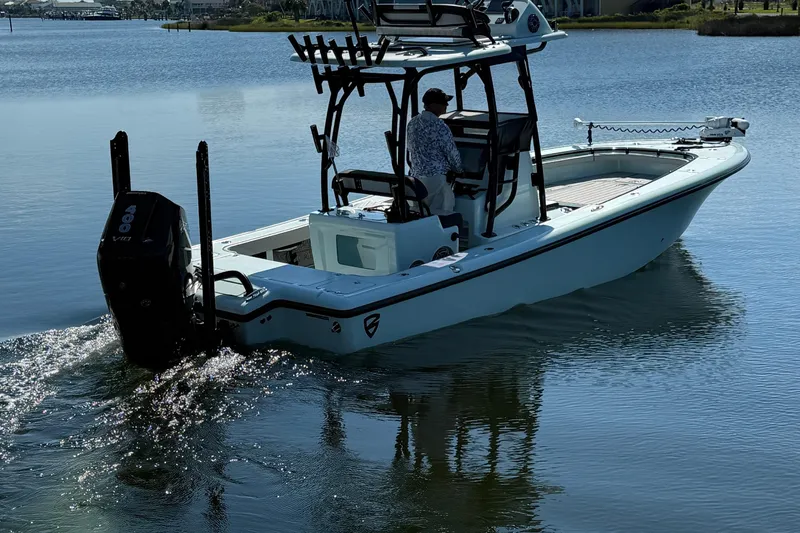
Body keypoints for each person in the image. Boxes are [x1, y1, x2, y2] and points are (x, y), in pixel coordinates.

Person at [407, 87, 464, 215]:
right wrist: (460, 170)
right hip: (436, 180)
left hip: (416, 179)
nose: (447, 105)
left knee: (421, 215)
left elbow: (410, 148)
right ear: (433, 105)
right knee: (442, 215)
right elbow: (451, 153)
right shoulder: (440, 126)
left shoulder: (412, 123)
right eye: (444, 102)